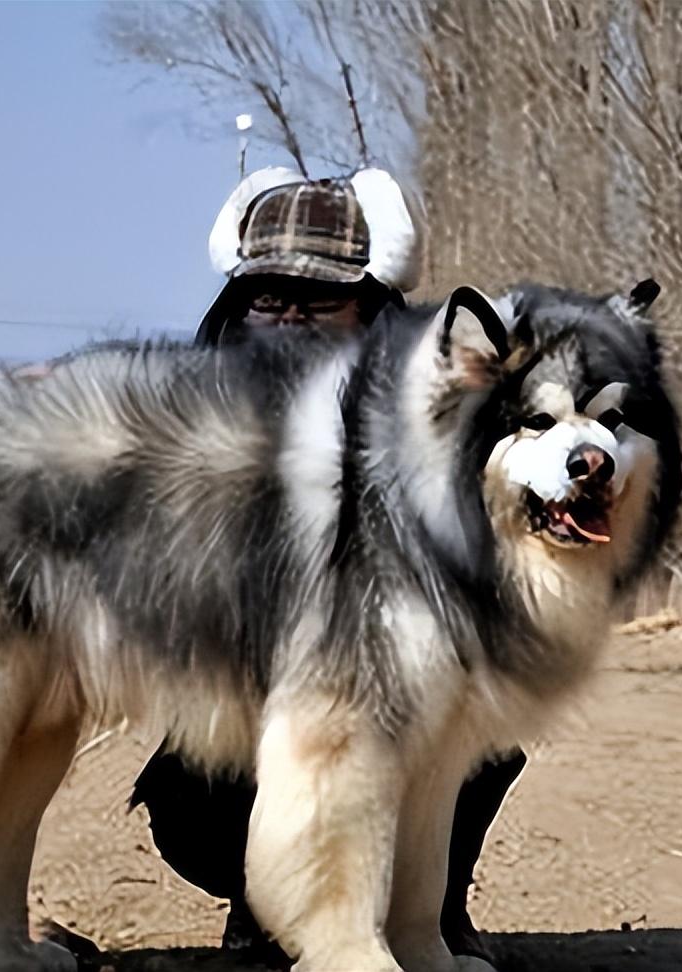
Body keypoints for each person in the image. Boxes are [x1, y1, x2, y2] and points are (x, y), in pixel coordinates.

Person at [130, 167, 525, 965]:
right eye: (266, 298)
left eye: (317, 299)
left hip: (402, 709)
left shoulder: (439, 416)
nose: (286, 319)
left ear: (373, 307)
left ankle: (432, 907)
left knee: (485, 723)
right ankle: (258, 908)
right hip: (243, 733)